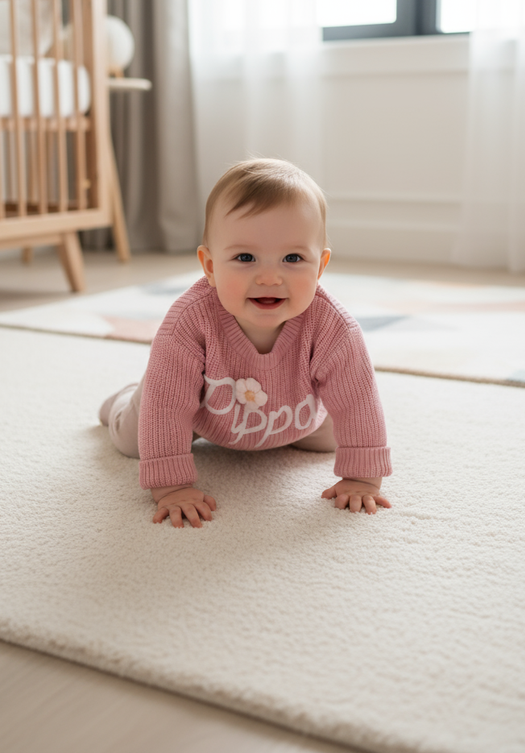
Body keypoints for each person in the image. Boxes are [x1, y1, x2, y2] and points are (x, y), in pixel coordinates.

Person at [99, 158, 392, 528]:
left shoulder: (334, 326)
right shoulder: (188, 324)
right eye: (245, 257)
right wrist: (172, 487)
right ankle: (125, 399)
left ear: (319, 267)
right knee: (135, 441)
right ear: (210, 266)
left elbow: (357, 399)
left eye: (292, 258)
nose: (269, 277)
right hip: (204, 414)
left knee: (341, 434)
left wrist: (363, 477)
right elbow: (168, 407)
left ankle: (290, 432)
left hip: (296, 411)